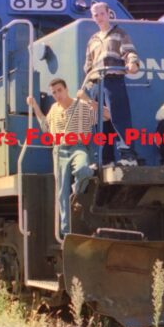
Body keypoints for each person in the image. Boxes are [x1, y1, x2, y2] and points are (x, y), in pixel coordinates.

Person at [27, 78, 105, 236]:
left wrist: (88, 99)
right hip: (59, 150)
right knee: (61, 190)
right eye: (54, 92)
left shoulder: (81, 105)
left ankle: (76, 192)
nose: (57, 95)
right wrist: (34, 105)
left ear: (66, 89)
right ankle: (65, 230)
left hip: (78, 147)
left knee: (83, 169)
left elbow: (106, 116)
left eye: (59, 90)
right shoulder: (54, 109)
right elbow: (45, 126)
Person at [84, 1, 141, 167]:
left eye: (102, 13)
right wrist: (88, 81)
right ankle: (105, 158)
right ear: (93, 18)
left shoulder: (119, 33)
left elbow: (130, 52)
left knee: (119, 117)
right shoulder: (92, 40)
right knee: (100, 121)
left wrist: (132, 63)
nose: (99, 17)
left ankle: (129, 157)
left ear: (109, 14)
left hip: (113, 80)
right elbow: (88, 64)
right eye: (96, 15)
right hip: (96, 83)